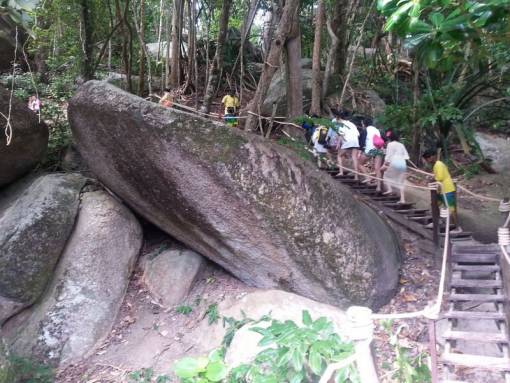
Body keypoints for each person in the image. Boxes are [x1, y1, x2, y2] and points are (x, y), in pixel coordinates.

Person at [422, 150, 462, 232]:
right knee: (435, 205)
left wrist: (431, 179)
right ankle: (437, 221)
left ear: (431, 157)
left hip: (447, 189)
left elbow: (439, 177)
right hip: (440, 190)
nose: (427, 161)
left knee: (451, 208)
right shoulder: (436, 165)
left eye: (427, 159)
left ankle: (457, 228)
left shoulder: (438, 164)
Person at [381, 131, 409, 203]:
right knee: (401, 182)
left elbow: (388, 156)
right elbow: (406, 156)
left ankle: (389, 189)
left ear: (390, 138)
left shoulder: (390, 144)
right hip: (403, 163)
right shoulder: (401, 145)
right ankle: (402, 199)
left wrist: (384, 164)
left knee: (386, 175)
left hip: (394, 162)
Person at [359, 117, 384, 191]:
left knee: (359, 163)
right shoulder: (377, 130)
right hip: (379, 150)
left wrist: (360, 152)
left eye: (362, 123)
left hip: (370, 150)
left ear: (364, 124)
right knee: (377, 168)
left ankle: (368, 178)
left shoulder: (365, 130)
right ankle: (378, 187)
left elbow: (362, 143)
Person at [333, 111, 360, 180]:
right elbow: (358, 134)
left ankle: (341, 172)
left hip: (348, 141)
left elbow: (341, 135)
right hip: (355, 141)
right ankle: (356, 177)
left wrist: (338, 144)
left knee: (339, 155)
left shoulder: (342, 124)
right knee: (354, 157)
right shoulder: (352, 124)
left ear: (339, 118)